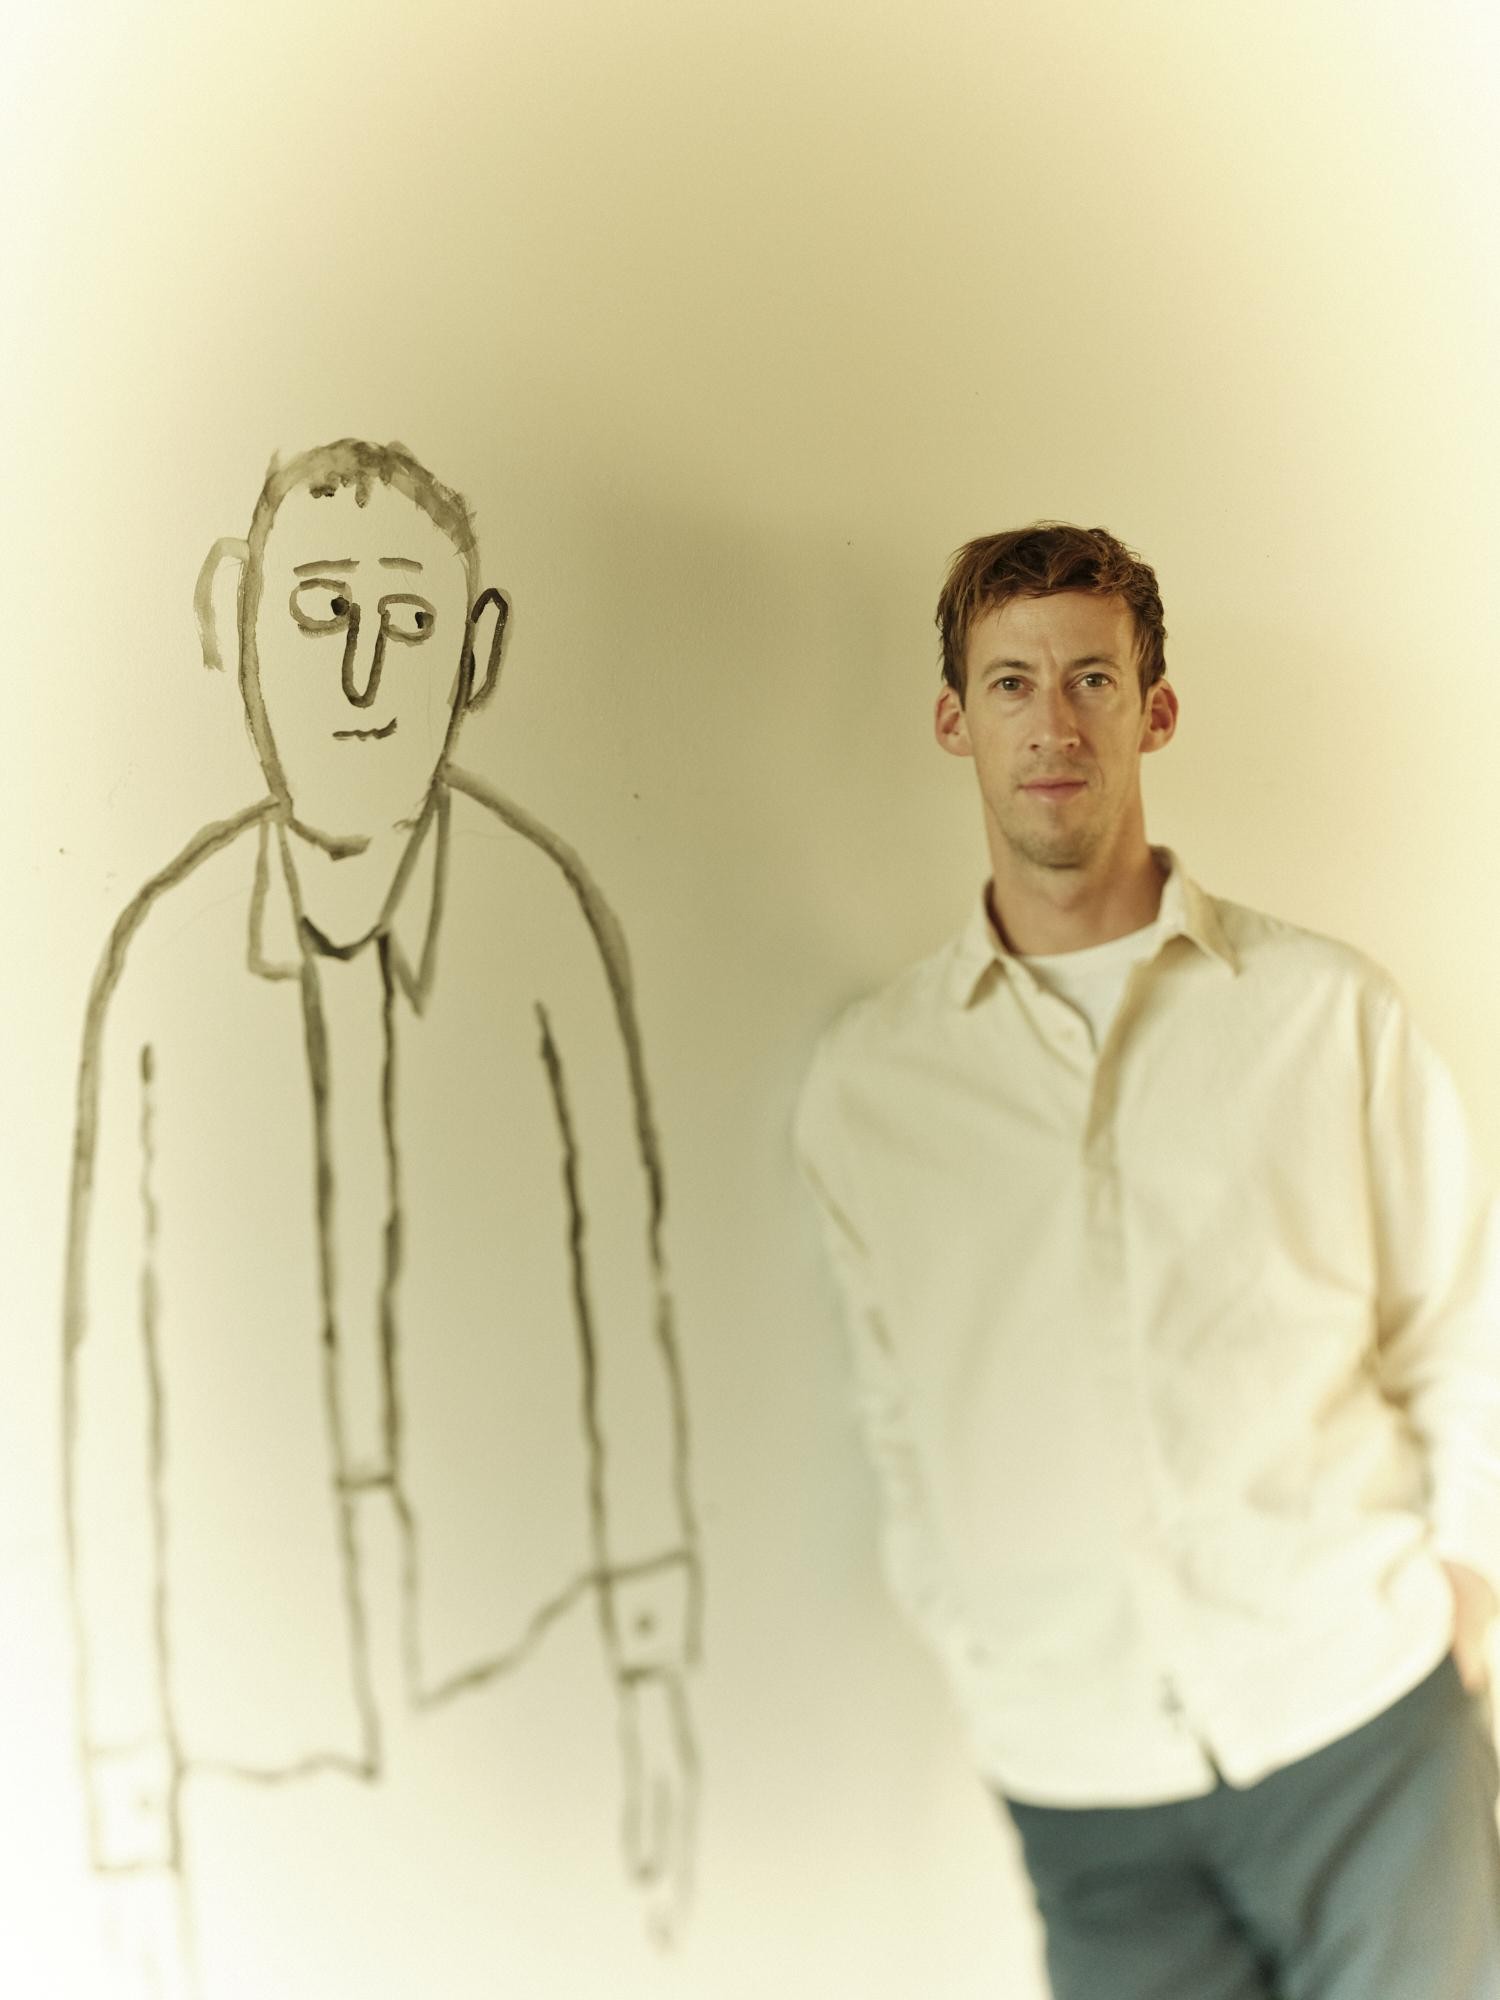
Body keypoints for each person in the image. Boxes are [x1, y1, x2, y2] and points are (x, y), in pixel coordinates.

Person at [794, 522, 1500, 1998]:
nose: (1052, 723)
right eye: (1010, 683)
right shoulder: (870, 1086)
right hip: (1083, 1779)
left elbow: (1461, 1316)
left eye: (1092, 679)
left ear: (1154, 710)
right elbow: (897, 1406)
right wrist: (982, 1644)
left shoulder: (1325, 1014)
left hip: (1360, 1724)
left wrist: (1465, 1591)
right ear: (954, 721)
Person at [63, 439, 700, 1996]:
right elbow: (111, 1398)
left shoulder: (541, 921)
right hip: (255, 1730)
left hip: (517, 1670)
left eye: (409, 623)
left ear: (475, 653)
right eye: (319, 612)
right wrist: (128, 1809)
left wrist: (649, 1661)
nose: (361, 675)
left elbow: (623, 1295)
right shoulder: (161, 963)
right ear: (236, 619)